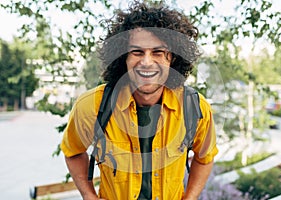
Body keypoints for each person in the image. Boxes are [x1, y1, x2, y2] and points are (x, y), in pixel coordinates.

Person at [61, 2, 218, 200]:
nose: (146, 62)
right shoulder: (91, 106)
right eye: (137, 52)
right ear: (123, 57)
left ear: (173, 58)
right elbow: (73, 151)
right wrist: (88, 195)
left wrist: (190, 197)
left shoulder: (195, 108)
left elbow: (205, 158)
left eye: (158, 52)